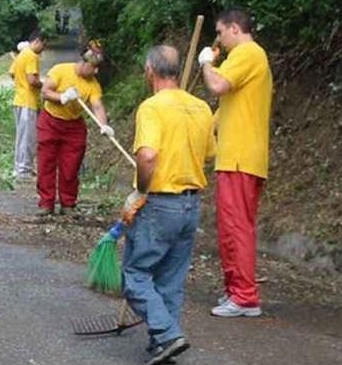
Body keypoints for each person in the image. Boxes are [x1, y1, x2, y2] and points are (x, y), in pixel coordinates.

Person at [122, 45, 215, 365]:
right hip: (191, 204)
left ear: (150, 70)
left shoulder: (152, 108)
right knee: (171, 279)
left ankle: (168, 334)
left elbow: (147, 155)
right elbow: (208, 154)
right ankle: (163, 344)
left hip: (160, 203)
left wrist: (139, 191)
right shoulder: (202, 107)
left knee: (135, 274)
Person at [198, 7, 272, 318]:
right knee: (230, 226)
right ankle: (236, 289)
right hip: (234, 156)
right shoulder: (245, 59)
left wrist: (206, 64)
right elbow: (221, 113)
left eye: (219, 31)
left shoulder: (248, 52)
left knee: (236, 227)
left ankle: (243, 296)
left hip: (241, 158)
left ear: (234, 28)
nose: (218, 39)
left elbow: (217, 86)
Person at [36, 40, 114, 216]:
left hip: (73, 126)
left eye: (98, 67)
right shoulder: (60, 70)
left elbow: (97, 106)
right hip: (50, 121)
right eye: (93, 67)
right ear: (84, 62)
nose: (96, 71)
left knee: (71, 166)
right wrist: (62, 96)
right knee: (46, 163)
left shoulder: (93, 84)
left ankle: (68, 203)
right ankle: (46, 203)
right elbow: (45, 92)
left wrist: (104, 125)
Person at [10, 30, 46, 181]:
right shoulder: (31, 55)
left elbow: (11, 73)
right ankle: (24, 171)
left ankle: (20, 167)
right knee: (29, 137)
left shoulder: (22, 54)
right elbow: (32, 80)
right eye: (44, 45)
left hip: (19, 99)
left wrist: (20, 81)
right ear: (37, 41)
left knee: (21, 136)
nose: (43, 49)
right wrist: (44, 85)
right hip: (28, 101)